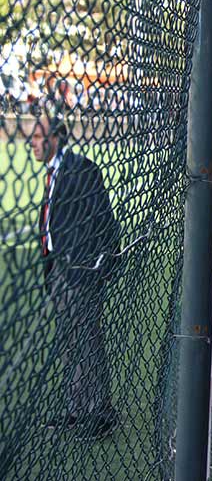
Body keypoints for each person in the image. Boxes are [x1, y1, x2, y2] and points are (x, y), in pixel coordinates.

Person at [31, 111, 120, 440]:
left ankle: (100, 413)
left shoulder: (80, 169)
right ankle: (76, 408)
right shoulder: (53, 172)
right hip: (58, 270)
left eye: (38, 137)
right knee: (72, 344)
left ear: (55, 137)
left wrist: (101, 266)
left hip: (79, 273)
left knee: (87, 343)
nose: (33, 144)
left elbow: (102, 217)